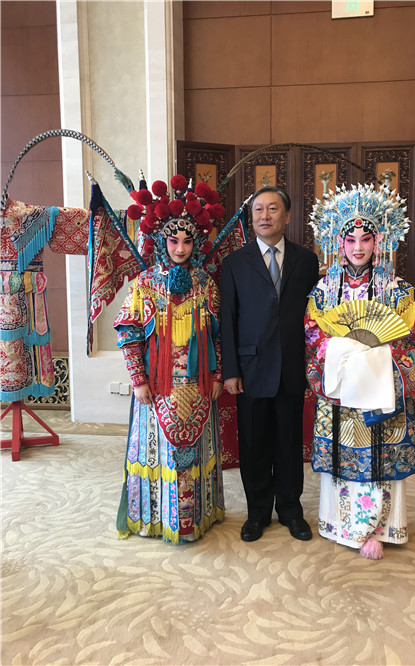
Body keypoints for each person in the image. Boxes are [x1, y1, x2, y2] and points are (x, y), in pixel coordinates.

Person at [305, 183, 415, 559]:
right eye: (350, 239)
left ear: (379, 241)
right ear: (338, 242)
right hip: (341, 388)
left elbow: (409, 339)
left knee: (381, 455)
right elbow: (312, 336)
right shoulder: (324, 290)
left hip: (381, 388)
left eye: (366, 239)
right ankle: (342, 525)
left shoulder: (397, 290)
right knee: (343, 453)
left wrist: (375, 355)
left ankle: (383, 528)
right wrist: (345, 351)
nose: (358, 247)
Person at [114, 174, 225, 544]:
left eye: (187, 241)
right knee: (160, 454)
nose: (180, 248)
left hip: (198, 382)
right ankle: (156, 520)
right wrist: (138, 380)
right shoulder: (145, 284)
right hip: (157, 386)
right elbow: (129, 334)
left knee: (196, 452)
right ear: (161, 241)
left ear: (197, 242)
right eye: (173, 240)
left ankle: (197, 519)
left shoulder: (206, 284)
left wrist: (218, 376)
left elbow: (219, 335)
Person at [220, 186, 319, 542]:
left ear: (287, 216)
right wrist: (231, 370)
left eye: (273, 209)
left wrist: (314, 365)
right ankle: (258, 513)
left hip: (292, 367)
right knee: (254, 444)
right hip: (251, 369)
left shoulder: (307, 261)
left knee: (289, 444)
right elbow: (228, 319)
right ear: (251, 218)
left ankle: (291, 511)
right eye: (259, 209)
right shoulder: (234, 263)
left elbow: (314, 317)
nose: (265, 215)